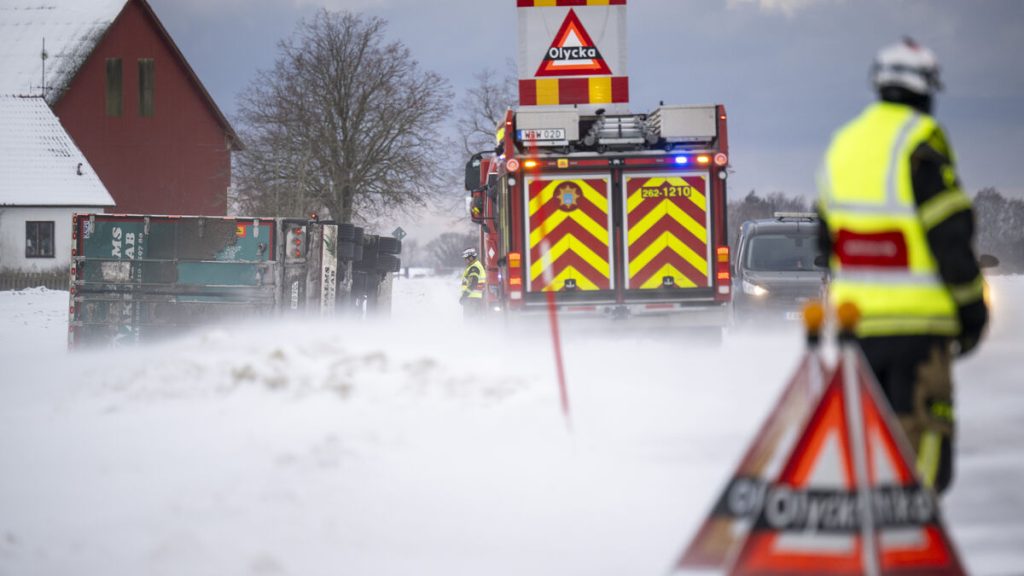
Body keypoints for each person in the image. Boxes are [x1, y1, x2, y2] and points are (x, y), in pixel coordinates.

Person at [816, 38, 988, 494]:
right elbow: (949, 234)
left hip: (859, 332)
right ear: (926, 88)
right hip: (920, 330)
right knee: (924, 456)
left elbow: (824, 238)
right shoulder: (921, 140)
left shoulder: (843, 145)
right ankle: (913, 545)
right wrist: (972, 312)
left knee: (871, 448)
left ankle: (874, 546)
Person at [459, 247, 487, 318]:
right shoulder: (475, 266)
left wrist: (465, 296)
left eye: (466, 258)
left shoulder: (474, 268)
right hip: (474, 299)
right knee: (474, 320)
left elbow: (472, 284)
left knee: (470, 322)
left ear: (471, 258)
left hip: (471, 299)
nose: (465, 261)